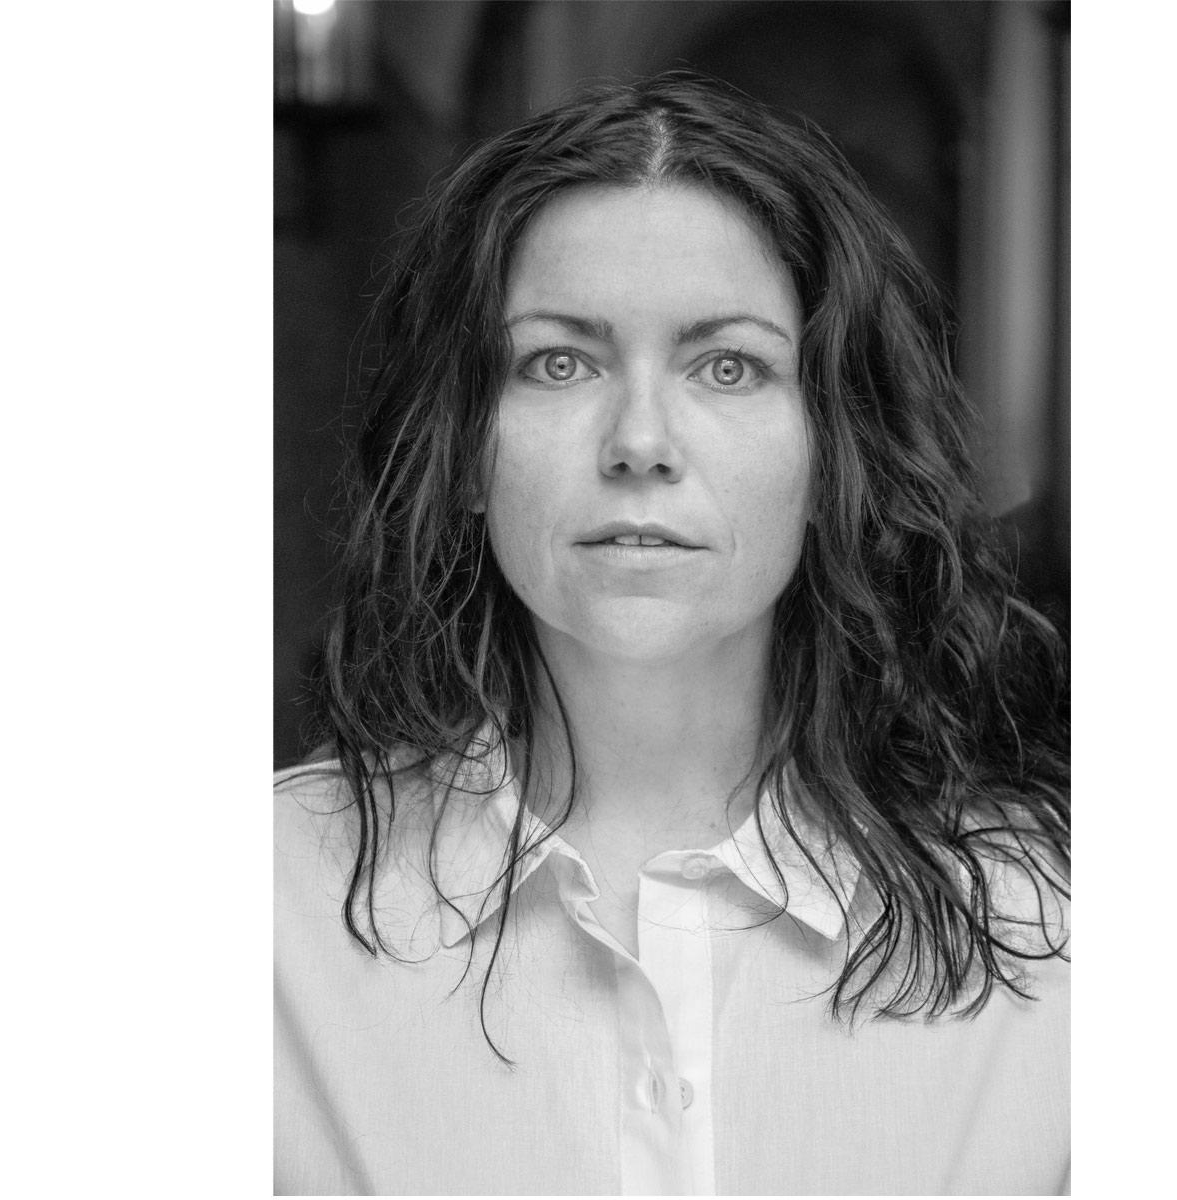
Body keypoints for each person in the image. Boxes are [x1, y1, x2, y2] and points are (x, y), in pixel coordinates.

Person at [275, 71, 1070, 1196]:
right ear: (463, 452)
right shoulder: (271, 910)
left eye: (727, 366)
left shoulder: (1049, 931)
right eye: (558, 362)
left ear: (830, 455)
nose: (639, 441)